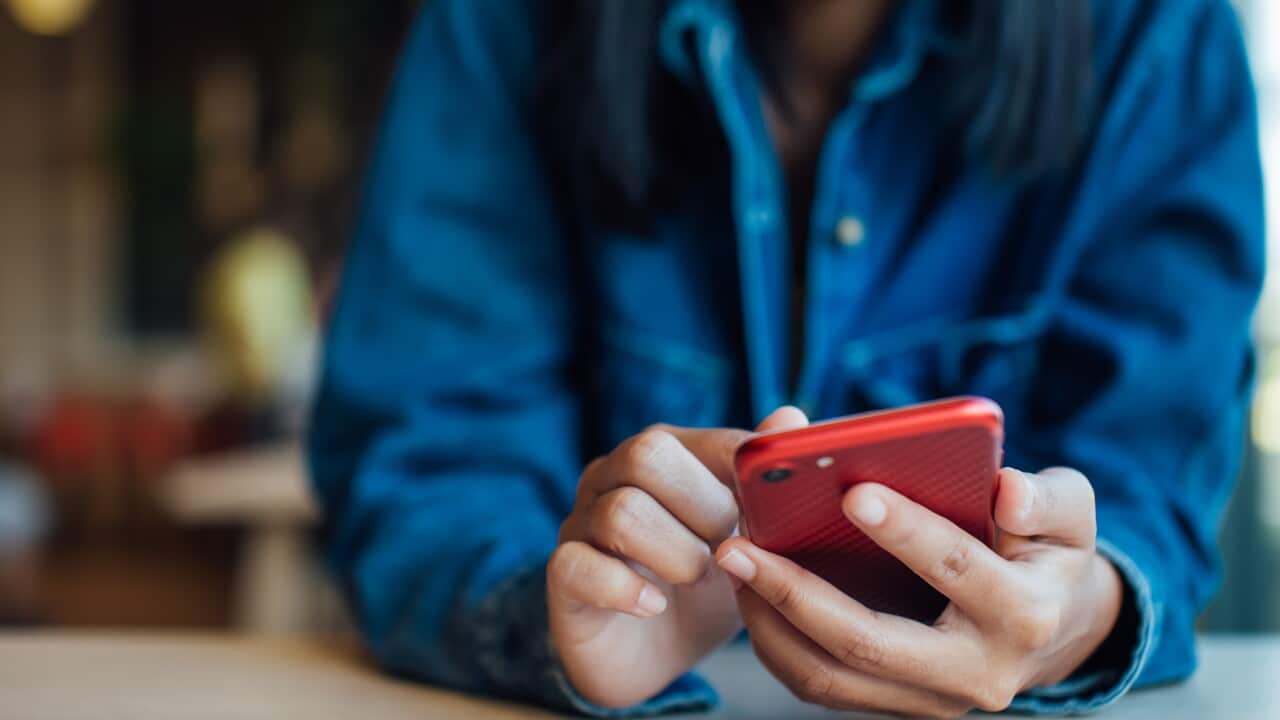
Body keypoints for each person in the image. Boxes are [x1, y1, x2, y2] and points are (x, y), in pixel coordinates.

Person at [308, 0, 1263, 716]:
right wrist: (556, 616)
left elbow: (1151, 485)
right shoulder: (504, 25)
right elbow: (426, 461)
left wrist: (1076, 614)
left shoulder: (1155, 33)